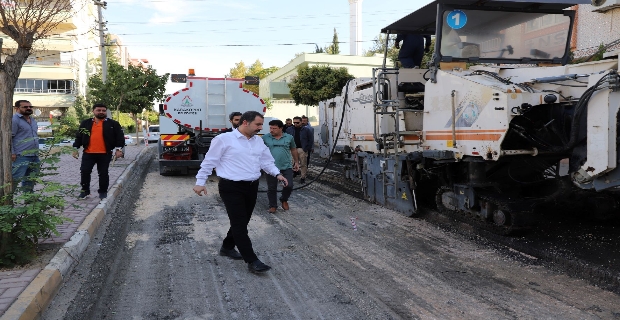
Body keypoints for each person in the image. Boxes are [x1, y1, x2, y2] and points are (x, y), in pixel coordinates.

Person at [193, 111, 288, 274]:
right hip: (231, 187)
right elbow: (210, 162)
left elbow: (266, 162)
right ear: (245, 122)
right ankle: (252, 260)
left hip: (251, 186)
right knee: (239, 224)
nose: (260, 128)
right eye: (258, 124)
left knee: (242, 222)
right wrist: (200, 182)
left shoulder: (258, 142)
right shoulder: (223, 139)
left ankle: (227, 247)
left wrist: (278, 174)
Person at [72, 103, 125, 200]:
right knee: (85, 172)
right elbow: (79, 137)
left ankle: (103, 192)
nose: (101, 112)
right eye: (98, 110)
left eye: (103, 110)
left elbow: (120, 138)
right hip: (88, 153)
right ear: (93, 111)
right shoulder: (85, 123)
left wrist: (118, 150)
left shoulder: (113, 124)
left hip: (105, 154)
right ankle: (85, 191)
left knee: (103, 173)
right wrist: (75, 149)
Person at [262, 119, 299, 213]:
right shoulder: (265, 138)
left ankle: (284, 199)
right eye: (270, 128)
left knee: (289, 185)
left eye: (274, 128)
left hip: (286, 166)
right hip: (270, 167)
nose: (271, 130)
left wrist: (296, 162)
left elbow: (293, 149)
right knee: (272, 187)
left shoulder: (289, 137)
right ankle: (273, 205)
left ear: (281, 128)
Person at [11, 100, 39, 193]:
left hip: (34, 155)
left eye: (30, 107)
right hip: (20, 155)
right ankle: (7, 201)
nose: (28, 108)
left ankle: (29, 198)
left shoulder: (33, 120)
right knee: (15, 179)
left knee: (31, 179)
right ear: (17, 108)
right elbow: (9, 137)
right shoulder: (14, 120)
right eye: (25, 107)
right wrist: (12, 153)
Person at [285, 116, 312, 184]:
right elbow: (286, 138)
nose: (295, 124)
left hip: (302, 149)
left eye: (297, 122)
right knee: (291, 163)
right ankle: (293, 173)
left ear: (301, 122)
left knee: (303, 164)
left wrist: (306, 148)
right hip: (292, 149)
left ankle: (303, 177)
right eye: (294, 123)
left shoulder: (306, 130)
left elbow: (310, 139)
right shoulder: (289, 129)